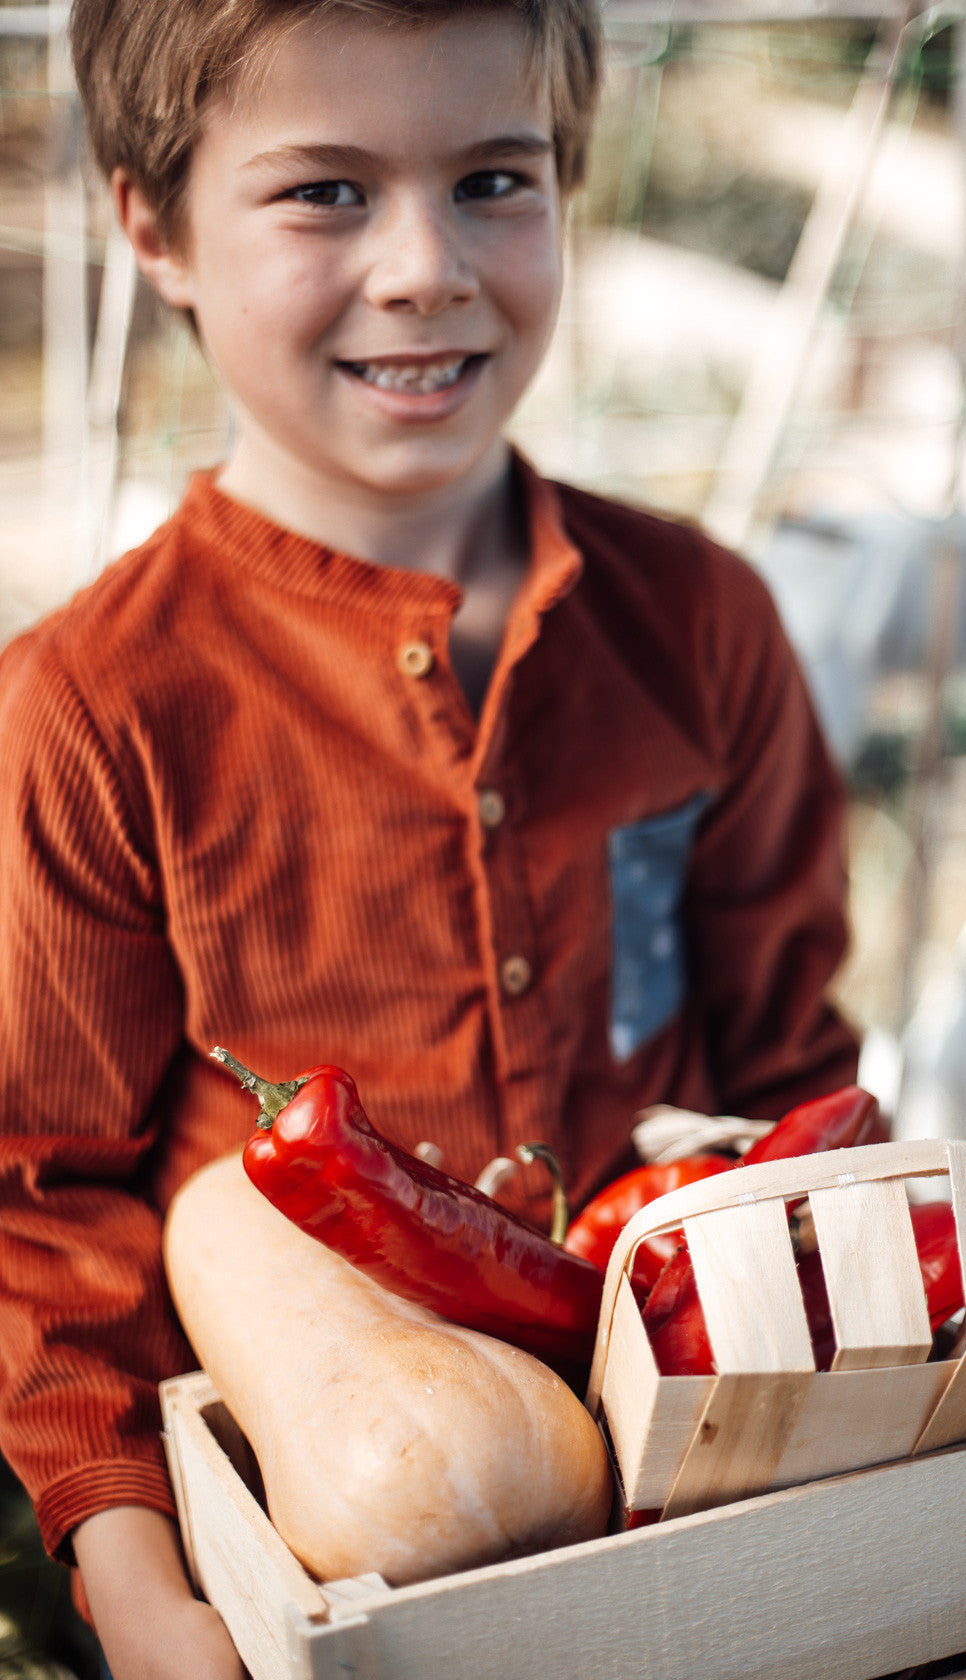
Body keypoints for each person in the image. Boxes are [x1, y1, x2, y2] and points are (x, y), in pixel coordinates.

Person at [0, 2, 858, 1676]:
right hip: (307, 1544)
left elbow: (789, 1066)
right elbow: (44, 1209)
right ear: (152, 227)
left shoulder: (703, 626)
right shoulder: (85, 713)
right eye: (324, 192)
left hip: (698, 1482)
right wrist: (138, 1582)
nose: (425, 268)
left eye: (491, 180)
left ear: (569, 184)